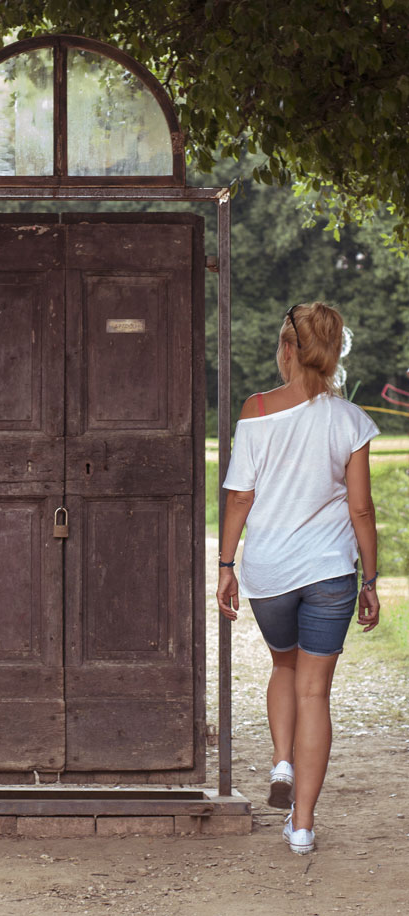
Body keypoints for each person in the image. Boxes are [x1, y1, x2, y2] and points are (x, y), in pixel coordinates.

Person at [216, 301, 380, 855]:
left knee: (282, 664)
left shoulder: (256, 408)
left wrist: (225, 565)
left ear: (288, 349)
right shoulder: (352, 420)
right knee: (317, 691)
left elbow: (240, 496)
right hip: (331, 573)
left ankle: (281, 758)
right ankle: (303, 826)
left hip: (271, 574)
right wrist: (372, 580)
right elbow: (362, 511)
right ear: (332, 355)